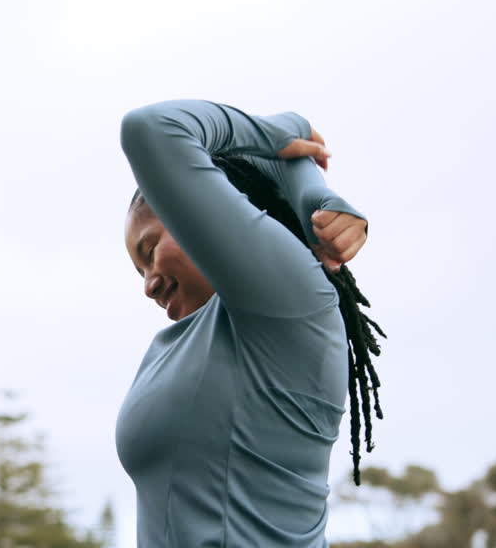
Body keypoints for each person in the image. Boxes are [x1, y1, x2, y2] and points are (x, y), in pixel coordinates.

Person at [117, 99, 386, 547]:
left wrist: (283, 147)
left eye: (149, 252)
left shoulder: (291, 302)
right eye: (137, 272)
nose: (147, 285)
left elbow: (151, 128)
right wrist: (303, 176)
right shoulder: (171, 347)